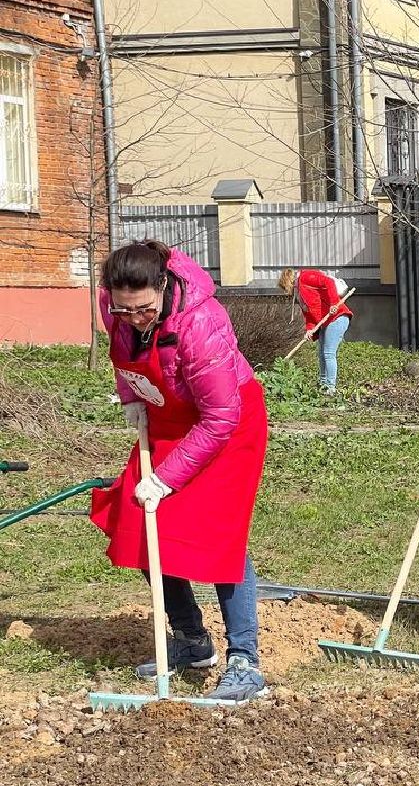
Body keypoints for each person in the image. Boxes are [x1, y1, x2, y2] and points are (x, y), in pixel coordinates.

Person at [90, 239, 270, 702]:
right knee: (140, 525)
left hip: (227, 425)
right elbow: (122, 350)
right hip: (168, 418)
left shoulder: (199, 322)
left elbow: (220, 417)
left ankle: (244, 660)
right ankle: (192, 641)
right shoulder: (117, 306)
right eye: (124, 310)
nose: (134, 318)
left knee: (217, 536)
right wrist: (131, 395)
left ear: (163, 287)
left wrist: (167, 478)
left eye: (144, 309)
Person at [278, 267, 352, 394]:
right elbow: (310, 315)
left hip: (337, 317)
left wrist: (334, 303)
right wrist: (310, 330)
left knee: (328, 353)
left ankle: (330, 387)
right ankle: (323, 385)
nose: (287, 292)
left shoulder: (306, 277)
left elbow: (328, 282)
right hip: (327, 321)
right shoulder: (300, 294)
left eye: (285, 288)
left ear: (287, 282)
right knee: (321, 353)